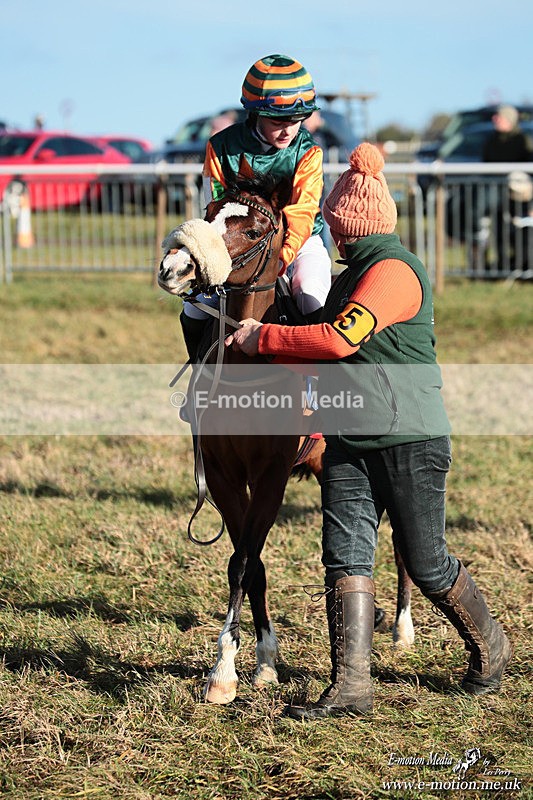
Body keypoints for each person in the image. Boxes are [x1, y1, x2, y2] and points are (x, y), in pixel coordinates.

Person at [226, 142, 512, 720]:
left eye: (332, 224)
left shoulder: (392, 274)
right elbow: (319, 339)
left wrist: (265, 338)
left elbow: (337, 339)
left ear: (348, 225)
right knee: (346, 557)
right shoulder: (351, 273)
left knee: (426, 562)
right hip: (351, 440)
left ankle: (493, 648)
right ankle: (351, 688)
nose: (329, 234)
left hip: (408, 437)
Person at [180, 54, 332, 358]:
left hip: (299, 242)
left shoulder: (309, 151)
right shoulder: (220, 146)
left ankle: (316, 382)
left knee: (310, 294)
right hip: (237, 243)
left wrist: (281, 257)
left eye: (297, 119)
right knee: (195, 307)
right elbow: (216, 207)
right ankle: (199, 375)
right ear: (255, 113)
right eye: (279, 120)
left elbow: (301, 212)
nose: (289, 130)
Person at [482, 104, 533, 273]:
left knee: (522, 230)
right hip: (497, 195)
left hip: (519, 196)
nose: (494, 119)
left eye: (499, 117)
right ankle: (503, 264)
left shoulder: (522, 140)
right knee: (498, 229)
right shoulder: (491, 140)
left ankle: (523, 263)